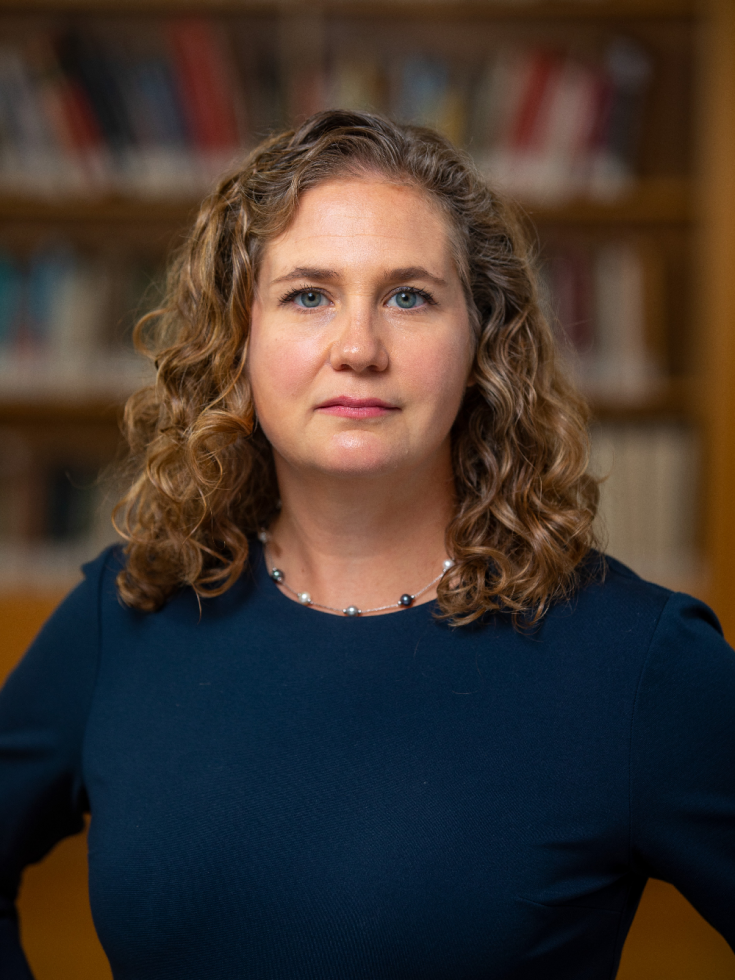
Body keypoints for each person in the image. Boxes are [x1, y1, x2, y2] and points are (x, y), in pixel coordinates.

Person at [1, 110, 733, 979]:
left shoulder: (638, 661)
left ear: (482, 344)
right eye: (308, 295)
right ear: (239, 341)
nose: (357, 348)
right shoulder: (125, 610)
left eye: (408, 296)